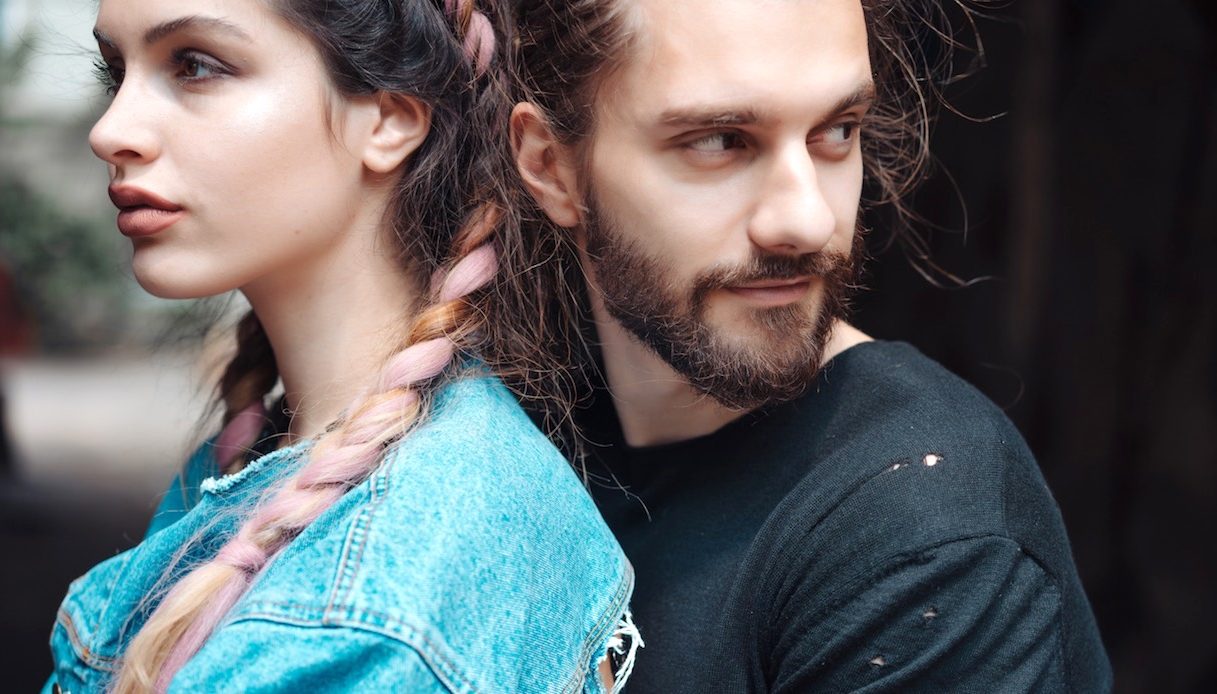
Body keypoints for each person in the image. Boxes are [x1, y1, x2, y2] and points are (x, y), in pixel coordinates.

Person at [507, 0, 1112, 691]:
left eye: (838, 131)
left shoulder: (924, 536)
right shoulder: (505, 427)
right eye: (720, 141)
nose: (808, 220)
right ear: (550, 166)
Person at [45, 1, 639, 692]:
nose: (110, 132)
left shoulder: (376, 600)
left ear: (388, 120)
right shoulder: (287, 453)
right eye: (115, 71)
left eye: (197, 66)